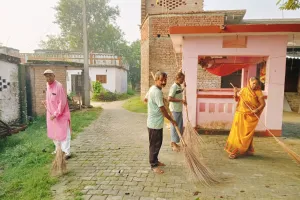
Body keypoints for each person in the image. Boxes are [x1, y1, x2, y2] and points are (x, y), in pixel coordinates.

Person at [225, 77, 265, 159]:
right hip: (239, 114)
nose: (255, 85)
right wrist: (235, 92)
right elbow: (237, 100)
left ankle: (245, 149)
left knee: (246, 134)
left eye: (257, 84)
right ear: (249, 82)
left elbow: (263, 104)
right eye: (253, 83)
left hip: (251, 116)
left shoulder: (258, 92)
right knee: (238, 134)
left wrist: (256, 110)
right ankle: (235, 151)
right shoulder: (243, 90)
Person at [147, 71, 177, 174]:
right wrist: (172, 120)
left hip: (155, 123)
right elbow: (162, 110)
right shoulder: (157, 91)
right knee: (154, 145)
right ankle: (153, 165)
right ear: (156, 80)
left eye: (165, 80)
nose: (164, 82)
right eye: (161, 80)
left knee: (157, 144)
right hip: (154, 124)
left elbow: (145, 100)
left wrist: (159, 100)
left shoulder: (153, 89)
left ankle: (155, 160)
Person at [43, 69, 72, 160]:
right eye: (46, 76)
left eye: (50, 75)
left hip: (61, 114)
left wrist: (56, 114)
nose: (48, 78)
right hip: (50, 114)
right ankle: (58, 149)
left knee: (64, 133)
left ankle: (66, 152)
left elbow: (62, 102)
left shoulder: (59, 86)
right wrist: (45, 102)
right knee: (54, 132)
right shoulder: (47, 85)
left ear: (54, 76)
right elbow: (51, 99)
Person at [168, 72, 187, 152]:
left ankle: (175, 142)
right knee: (174, 127)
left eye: (183, 79)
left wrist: (184, 88)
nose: (183, 81)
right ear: (177, 78)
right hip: (174, 110)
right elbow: (169, 98)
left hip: (178, 109)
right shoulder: (174, 87)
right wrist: (181, 100)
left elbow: (179, 92)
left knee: (179, 126)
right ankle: (173, 143)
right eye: (182, 79)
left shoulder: (178, 86)